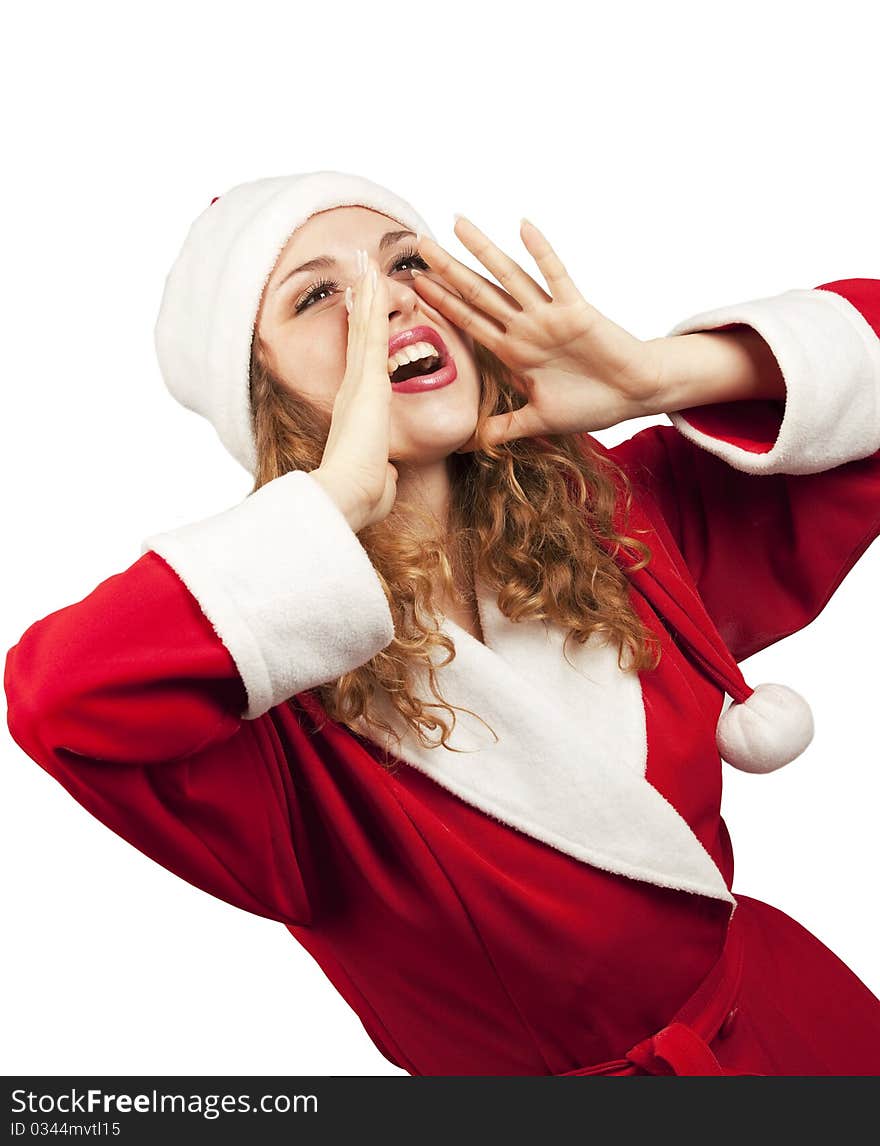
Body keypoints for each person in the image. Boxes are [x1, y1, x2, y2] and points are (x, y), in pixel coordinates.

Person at [5, 170, 880, 1076]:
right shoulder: (269, 716)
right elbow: (53, 699)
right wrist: (331, 498)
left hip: (807, 1036)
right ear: (260, 396)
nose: (387, 300)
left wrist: (656, 376)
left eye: (407, 261)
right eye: (318, 295)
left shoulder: (620, 515)